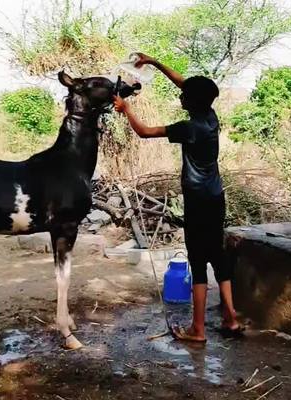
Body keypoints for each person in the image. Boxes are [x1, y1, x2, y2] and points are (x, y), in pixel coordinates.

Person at [114, 53, 242, 342]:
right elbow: (189, 85)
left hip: (197, 202)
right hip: (215, 196)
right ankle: (231, 318)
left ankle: (198, 330)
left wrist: (127, 109)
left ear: (191, 101)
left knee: (198, 261)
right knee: (217, 256)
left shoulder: (188, 128)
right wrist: (155, 63)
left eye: (184, 96)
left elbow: (145, 132)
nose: (180, 96)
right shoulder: (210, 117)